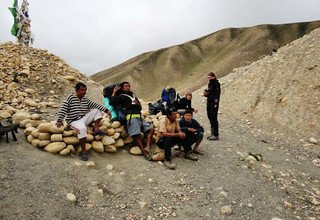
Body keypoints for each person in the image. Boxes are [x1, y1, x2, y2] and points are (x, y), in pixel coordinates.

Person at [56, 82, 109, 161]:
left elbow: (95, 104)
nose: (84, 92)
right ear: (76, 90)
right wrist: (59, 120)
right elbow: (63, 108)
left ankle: (96, 130)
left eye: (85, 90)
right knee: (83, 129)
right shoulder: (70, 98)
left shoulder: (85, 99)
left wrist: (106, 110)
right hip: (74, 121)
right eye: (82, 90)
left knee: (97, 110)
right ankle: (83, 152)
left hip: (83, 118)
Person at [109, 82, 154, 160]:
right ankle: (145, 153)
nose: (128, 87)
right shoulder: (121, 96)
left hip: (139, 117)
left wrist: (136, 105)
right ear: (122, 88)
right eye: (126, 86)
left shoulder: (133, 96)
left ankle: (147, 147)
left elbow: (139, 107)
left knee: (151, 129)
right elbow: (111, 102)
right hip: (131, 117)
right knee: (136, 135)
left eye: (129, 86)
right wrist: (114, 92)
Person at [204, 72, 221, 140]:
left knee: (214, 118)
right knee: (210, 117)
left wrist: (215, 104)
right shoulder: (210, 83)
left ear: (214, 77)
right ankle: (212, 132)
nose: (209, 79)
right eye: (208, 77)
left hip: (213, 103)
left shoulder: (216, 84)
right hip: (209, 102)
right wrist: (206, 93)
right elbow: (210, 93)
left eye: (210, 77)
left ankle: (216, 134)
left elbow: (217, 94)